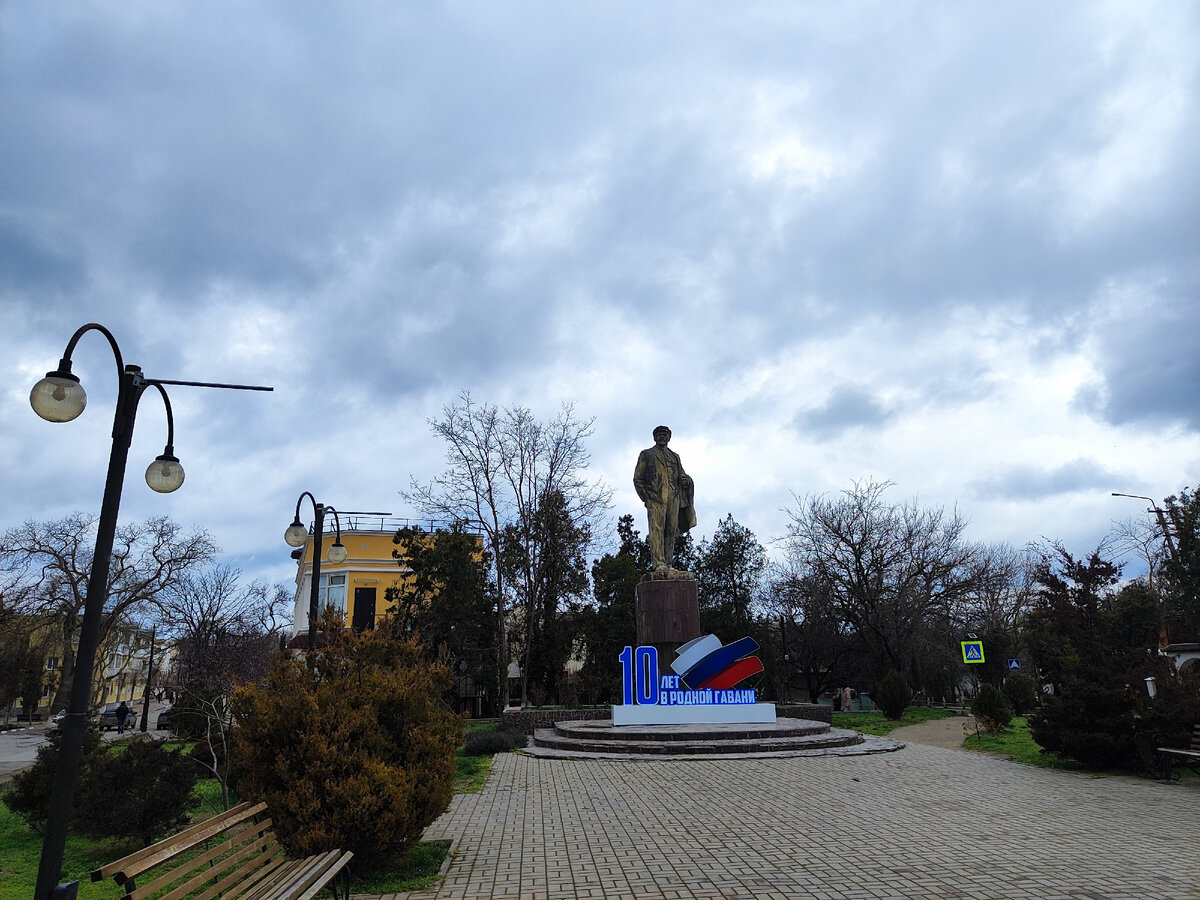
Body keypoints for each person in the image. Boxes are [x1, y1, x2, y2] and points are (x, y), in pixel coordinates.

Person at [633, 425, 696, 572]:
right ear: (654, 437)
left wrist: (686, 481)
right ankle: (658, 564)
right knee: (656, 531)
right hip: (655, 498)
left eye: (665, 435)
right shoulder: (646, 454)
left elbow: (681, 475)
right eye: (659, 435)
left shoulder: (675, 456)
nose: (662, 437)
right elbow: (637, 479)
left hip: (673, 499)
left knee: (671, 531)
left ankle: (668, 564)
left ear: (669, 438)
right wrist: (646, 498)